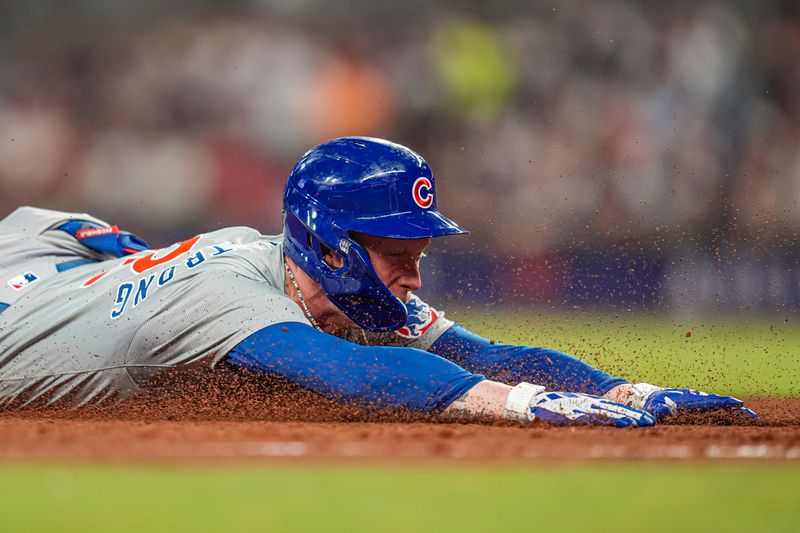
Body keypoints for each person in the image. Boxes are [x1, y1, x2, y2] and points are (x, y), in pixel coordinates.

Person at [0, 137, 753, 426]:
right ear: (331, 246)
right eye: (396, 250)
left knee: (75, 230)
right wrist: (525, 407)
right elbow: (353, 372)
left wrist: (626, 389)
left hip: (52, 264)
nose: (413, 271)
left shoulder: (318, 276)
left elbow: (479, 355)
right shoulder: (231, 292)